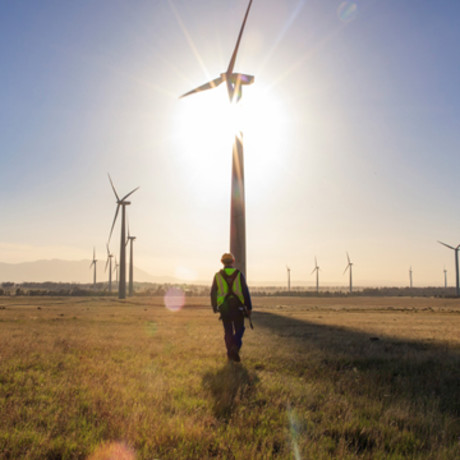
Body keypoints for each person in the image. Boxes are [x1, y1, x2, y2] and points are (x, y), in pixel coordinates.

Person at [210, 253, 252, 362]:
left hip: (224, 307)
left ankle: (230, 353)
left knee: (228, 331)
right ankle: (235, 347)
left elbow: (213, 292)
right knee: (240, 329)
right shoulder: (239, 274)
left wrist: (215, 307)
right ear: (233, 261)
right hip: (238, 307)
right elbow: (245, 291)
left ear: (222, 262)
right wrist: (249, 307)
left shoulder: (217, 276)